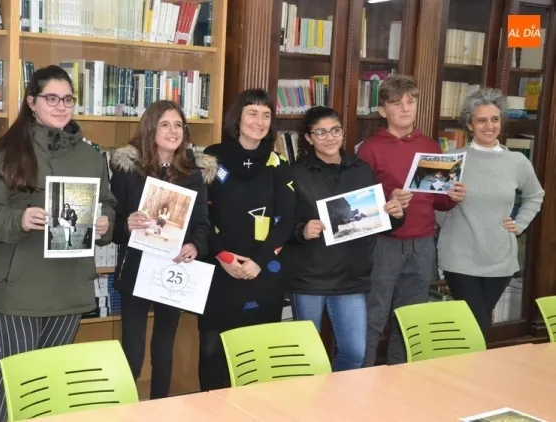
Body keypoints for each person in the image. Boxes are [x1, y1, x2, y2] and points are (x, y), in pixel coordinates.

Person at [0, 65, 117, 422]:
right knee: (14, 371)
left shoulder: (91, 156)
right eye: (51, 98)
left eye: (67, 99)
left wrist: (105, 223)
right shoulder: (4, 152)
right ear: (32, 102)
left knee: (50, 375)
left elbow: (108, 204)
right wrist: (19, 220)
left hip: (69, 282)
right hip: (19, 282)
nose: (61, 106)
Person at [281, 106, 406, 372]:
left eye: (335, 130)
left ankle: (334, 394)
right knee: (306, 355)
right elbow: (280, 224)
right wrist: (301, 231)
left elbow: (378, 221)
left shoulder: (361, 170)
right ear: (308, 138)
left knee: (355, 353)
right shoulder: (294, 173)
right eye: (320, 132)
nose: (329, 137)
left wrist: (395, 214)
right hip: (309, 276)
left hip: (351, 275)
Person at [357, 74, 467, 366]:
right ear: (383, 110)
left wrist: (453, 196)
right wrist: (389, 201)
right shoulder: (370, 148)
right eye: (397, 103)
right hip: (384, 244)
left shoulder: (430, 146)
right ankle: (361, 379)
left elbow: (438, 201)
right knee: (374, 315)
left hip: (423, 243)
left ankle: (402, 376)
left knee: (410, 319)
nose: (405, 108)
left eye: (410, 101)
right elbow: (361, 204)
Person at [110, 100, 216, 399]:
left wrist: (196, 245)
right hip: (136, 269)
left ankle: (160, 406)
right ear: (150, 129)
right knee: (132, 349)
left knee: (164, 347)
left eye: (178, 125)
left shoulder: (194, 172)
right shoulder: (128, 170)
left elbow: (202, 222)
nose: (173, 131)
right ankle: (125, 410)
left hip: (174, 269)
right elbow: (112, 223)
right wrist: (126, 225)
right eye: (165, 125)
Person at [198, 88, 296, 390]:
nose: (259, 121)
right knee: (212, 350)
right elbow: (200, 215)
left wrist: (259, 261)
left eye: (266, 115)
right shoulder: (211, 158)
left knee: (258, 353)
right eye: (252, 113)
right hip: (219, 269)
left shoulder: (278, 164)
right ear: (237, 119)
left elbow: (287, 220)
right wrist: (222, 255)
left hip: (263, 272)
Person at [437, 88, 544, 334]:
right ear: (469, 124)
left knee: (478, 322)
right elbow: (435, 204)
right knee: (476, 323)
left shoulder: (517, 161)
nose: (489, 126)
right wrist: (452, 225)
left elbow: (535, 195)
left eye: (495, 119)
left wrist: (519, 224)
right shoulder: (452, 159)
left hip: (500, 259)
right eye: (481, 120)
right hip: (459, 258)